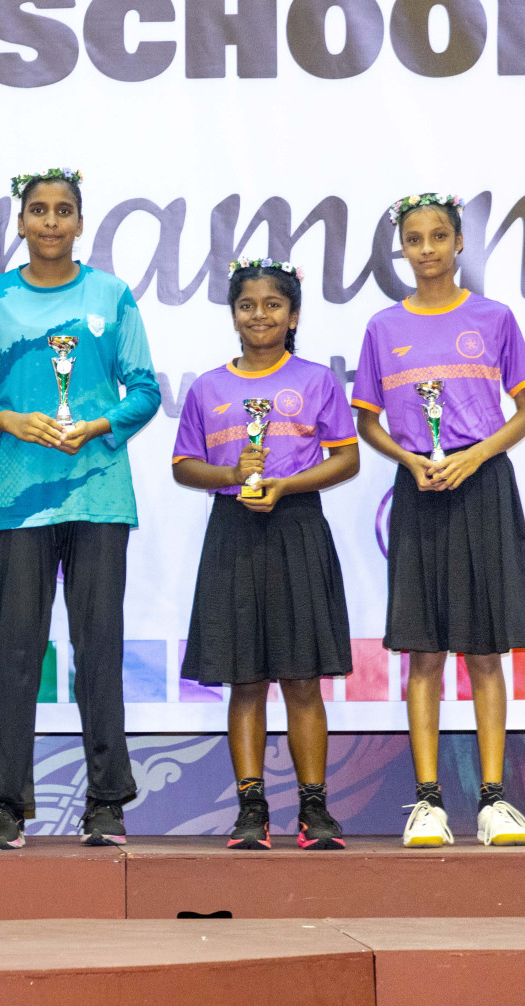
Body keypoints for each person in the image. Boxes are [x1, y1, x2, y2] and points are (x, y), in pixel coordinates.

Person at [0, 167, 160, 850]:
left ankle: (107, 802)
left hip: (100, 495)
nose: (50, 221)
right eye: (38, 210)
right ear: (19, 223)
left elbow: (143, 389)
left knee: (98, 649)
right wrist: (11, 421)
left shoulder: (111, 295)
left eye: (64, 210)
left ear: (81, 223)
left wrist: (100, 424)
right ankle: (6, 806)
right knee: (18, 653)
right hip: (18, 502)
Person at [353, 193, 525, 848]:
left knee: (485, 649)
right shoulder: (383, 327)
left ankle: (493, 800)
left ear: (459, 243)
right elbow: (367, 421)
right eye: (414, 238)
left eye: (438, 236)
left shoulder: (494, 318)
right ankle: (428, 802)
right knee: (424, 649)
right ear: (401, 248)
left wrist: (475, 457)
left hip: (482, 485)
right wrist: (410, 458)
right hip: (419, 487)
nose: (426, 248)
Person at [172, 257, 359, 851]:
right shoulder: (208, 386)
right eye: (248, 305)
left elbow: (347, 459)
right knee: (245, 680)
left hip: (297, 526)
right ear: (233, 315)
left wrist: (285, 485)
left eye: (273, 305)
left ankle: (314, 809)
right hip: (232, 530)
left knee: (302, 679)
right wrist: (230, 474)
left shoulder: (316, 380)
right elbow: (183, 466)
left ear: (293, 314)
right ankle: (251, 810)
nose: (260, 315)